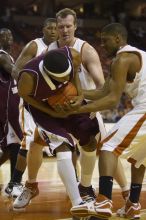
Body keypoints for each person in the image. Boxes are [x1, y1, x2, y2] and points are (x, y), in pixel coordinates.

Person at [48, 8, 129, 201]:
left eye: (68, 26)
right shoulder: (49, 51)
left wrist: (95, 107)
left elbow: (102, 85)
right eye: (61, 27)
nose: (65, 30)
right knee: (47, 146)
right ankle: (30, 183)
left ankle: (123, 190)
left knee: (105, 148)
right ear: (56, 28)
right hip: (59, 110)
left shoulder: (86, 50)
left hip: (86, 107)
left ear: (75, 26)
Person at [67, 23, 146, 219]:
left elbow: (112, 100)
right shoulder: (132, 56)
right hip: (142, 106)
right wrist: (80, 94)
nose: (102, 45)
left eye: (105, 40)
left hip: (144, 107)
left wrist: (80, 108)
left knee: (108, 146)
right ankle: (133, 205)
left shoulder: (122, 58)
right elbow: (104, 91)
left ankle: (103, 201)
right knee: (139, 159)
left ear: (118, 38)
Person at [12, 47, 100, 216]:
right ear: (49, 73)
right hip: (43, 109)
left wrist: (80, 95)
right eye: (63, 78)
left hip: (67, 101)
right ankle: (78, 203)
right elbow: (25, 96)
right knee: (63, 146)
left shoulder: (72, 55)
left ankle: (85, 185)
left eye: (68, 74)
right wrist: (51, 112)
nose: (67, 78)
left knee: (89, 140)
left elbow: (73, 74)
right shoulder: (29, 77)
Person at [5, 18, 58, 197]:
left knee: (67, 142)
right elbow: (16, 70)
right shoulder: (34, 46)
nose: (52, 31)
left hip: (49, 102)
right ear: (43, 29)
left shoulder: (61, 48)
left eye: (55, 28)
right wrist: (31, 86)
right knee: (28, 141)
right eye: (49, 28)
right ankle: (14, 183)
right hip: (30, 101)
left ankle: (76, 180)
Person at [0, 28, 22, 189]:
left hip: (11, 104)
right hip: (6, 107)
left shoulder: (7, 56)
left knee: (9, 147)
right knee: (15, 143)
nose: (8, 37)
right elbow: (15, 72)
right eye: (3, 36)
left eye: (10, 35)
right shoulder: (2, 56)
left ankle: (14, 182)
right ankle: (14, 184)